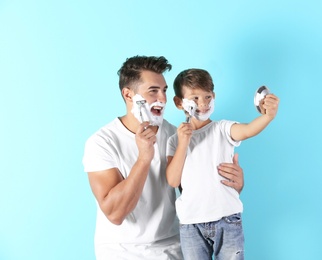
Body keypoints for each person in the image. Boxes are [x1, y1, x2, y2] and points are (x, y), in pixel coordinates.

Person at [82, 56, 245, 260]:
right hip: (121, 252)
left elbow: (199, 188)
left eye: (164, 90)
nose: (163, 98)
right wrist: (144, 158)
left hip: (172, 249)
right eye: (153, 91)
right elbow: (115, 214)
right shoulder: (102, 142)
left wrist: (233, 184)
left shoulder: (176, 136)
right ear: (128, 94)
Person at [166, 68, 279, 260]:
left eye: (207, 97)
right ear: (179, 103)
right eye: (194, 98)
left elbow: (248, 130)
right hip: (191, 224)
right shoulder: (174, 141)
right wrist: (183, 143)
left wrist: (267, 116)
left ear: (214, 96)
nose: (202, 104)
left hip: (227, 219)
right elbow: (173, 180)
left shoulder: (223, 129)